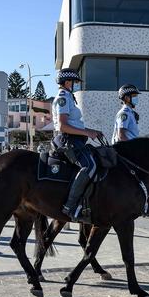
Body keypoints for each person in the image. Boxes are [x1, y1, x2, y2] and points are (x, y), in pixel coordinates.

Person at [51, 68, 103, 220]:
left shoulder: (69, 96)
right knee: (90, 166)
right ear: (68, 82)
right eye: (76, 82)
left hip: (75, 139)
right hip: (68, 140)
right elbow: (62, 126)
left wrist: (92, 131)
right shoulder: (63, 97)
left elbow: (75, 124)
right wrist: (88, 133)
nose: (77, 85)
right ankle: (70, 206)